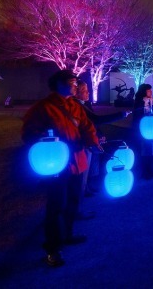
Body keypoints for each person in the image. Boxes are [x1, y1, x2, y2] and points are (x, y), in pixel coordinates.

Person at [21, 70, 102, 268]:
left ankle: (68, 233)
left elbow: (87, 126)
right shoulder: (44, 108)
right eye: (72, 83)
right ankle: (53, 247)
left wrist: (92, 141)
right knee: (56, 204)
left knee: (73, 200)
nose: (76, 86)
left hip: (77, 160)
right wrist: (47, 141)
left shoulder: (75, 106)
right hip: (56, 164)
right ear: (59, 84)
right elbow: (29, 133)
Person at [73, 80, 131, 198]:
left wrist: (99, 135)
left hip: (92, 138)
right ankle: (81, 191)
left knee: (92, 164)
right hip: (83, 140)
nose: (88, 93)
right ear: (76, 93)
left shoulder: (86, 104)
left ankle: (87, 187)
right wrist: (121, 115)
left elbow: (94, 124)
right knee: (84, 166)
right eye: (84, 91)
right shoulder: (77, 106)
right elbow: (96, 120)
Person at [132, 83, 153, 179]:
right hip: (142, 129)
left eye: (151, 90)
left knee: (150, 150)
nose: (150, 92)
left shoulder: (152, 101)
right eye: (148, 90)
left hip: (151, 128)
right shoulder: (139, 101)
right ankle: (144, 171)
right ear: (144, 91)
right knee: (143, 150)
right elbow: (137, 116)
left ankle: (150, 169)